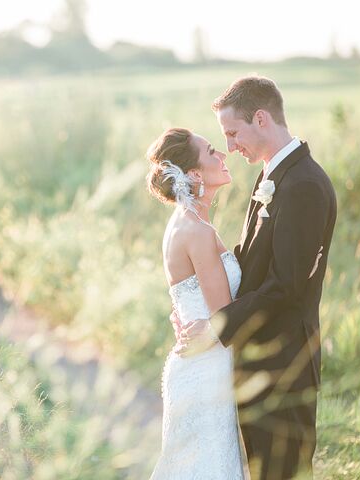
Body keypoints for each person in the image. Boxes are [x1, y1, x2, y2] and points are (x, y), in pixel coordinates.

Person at [175, 76, 337, 479]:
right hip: (259, 363)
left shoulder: (303, 185)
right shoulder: (271, 177)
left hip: (284, 367)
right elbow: (251, 269)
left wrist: (214, 327)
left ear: (261, 118)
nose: (229, 146)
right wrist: (189, 307)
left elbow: (285, 285)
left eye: (232, 133)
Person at [146, 127, 250, 479]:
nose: (222, 155)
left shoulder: (184, 224)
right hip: (207, 372)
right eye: (211, 152)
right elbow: (225, 316)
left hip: (198, 366)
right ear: (193, 174)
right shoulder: (197, 231)